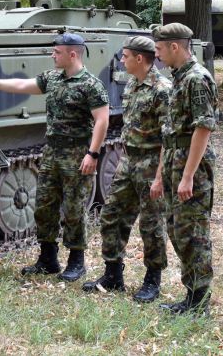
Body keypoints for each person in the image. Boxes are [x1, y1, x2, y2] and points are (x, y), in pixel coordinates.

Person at [0, 32, 109, 281]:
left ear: (72, 54)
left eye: (57, 51)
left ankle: (77, 261)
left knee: (74, 208)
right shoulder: (52, 78)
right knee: (44, 207)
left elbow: (102, 120)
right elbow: (22, 85)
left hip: (77, 153)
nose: (53, 55)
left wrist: (92, 154)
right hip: (52, 152)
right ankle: (48, 259)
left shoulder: (91, 85)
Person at [82, 36, 171, 303]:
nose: (122, 61)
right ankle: (113, 276)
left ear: (140, 59)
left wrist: (159, 178)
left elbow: (169, 139)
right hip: (128, 162)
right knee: (111, 216)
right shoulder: (131, 84)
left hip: (152, 164)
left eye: (125, 56)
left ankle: (152, 280)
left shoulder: (162, 90)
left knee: (151, 224)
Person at [152, 23, 219, 318]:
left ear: (174, 47)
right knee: (179, 231)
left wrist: (188, 175)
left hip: (191, 167)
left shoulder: (197, 79)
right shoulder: (179, 79)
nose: (157, 55)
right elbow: (171, 131)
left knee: (194, 234)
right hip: (175, 162)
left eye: (159, 49)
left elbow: (203, 127)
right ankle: (191, 298)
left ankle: (200, 304)